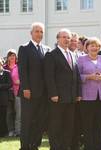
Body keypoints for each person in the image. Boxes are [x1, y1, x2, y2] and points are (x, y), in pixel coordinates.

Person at [44, 28, 81, 150]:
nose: (66, 39)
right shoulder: (51, 55)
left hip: (71, 98)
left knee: (68, 126)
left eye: (68, 37)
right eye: (64, 37)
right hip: (57, 98)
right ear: (58, 39)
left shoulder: (73, 54)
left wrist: (78, 93)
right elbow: (49, 77)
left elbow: (76, 75)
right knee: (55, 126)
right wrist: (53, 94)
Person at [18, 22, 50, 150]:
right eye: (37, 31)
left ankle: (34, 145)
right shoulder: (24, 48)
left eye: (41, 31)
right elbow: (22, 70)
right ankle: (25, 146)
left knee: (40, 120)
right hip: (29, 92)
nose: (39, 34)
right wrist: (25, 87)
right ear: (31, 33)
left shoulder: (46, 49)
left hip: (43, 93)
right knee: (27, 120)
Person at [77, 37, 101, 150]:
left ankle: (99, 146)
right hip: (87, 96)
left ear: (99, 47)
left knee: (99, 124)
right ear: (87, 47)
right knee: (88, 123)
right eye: (92, 45)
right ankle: (89, 146)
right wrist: (89, 77)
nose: (94, 47)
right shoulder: (81, 59)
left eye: (96, 46)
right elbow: (77, 76)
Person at [4, 49, 21, 137]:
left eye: (13, 55)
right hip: (7, 94)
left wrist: (19, 82)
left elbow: (22, 79)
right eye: (10, 55)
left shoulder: (18, 67)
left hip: (17, 92)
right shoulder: (4, 67)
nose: (12, 57)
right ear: (7, 57)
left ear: (16, 57)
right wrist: (14, 81)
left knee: (18, 112)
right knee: (9, 112)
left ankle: (18, 131)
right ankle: (11, 131)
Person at [0, 58, 12, 137]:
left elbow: (9, 84)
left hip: (3, 98)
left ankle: (3, 133)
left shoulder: (7, 73)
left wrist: (0, 86)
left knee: (3, 116)